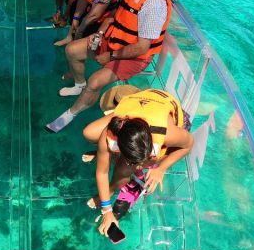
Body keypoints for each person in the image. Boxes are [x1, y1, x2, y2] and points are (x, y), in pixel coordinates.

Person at [45, 0, 172, 133]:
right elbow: (114, 14)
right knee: (72, 50)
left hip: (134, 56)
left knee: (95, 81)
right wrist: (100, 33)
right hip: (113, 40)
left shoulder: (153, 4)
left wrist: (110, 56)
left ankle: (71, 113)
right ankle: (78, 85)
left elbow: (142, 48)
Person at [83, 87, 193, 239]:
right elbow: (101, 172)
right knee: (89, 133)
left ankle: (112, 187)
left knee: (122, 169)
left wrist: (160, 168)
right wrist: (107, 210)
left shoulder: (167, 134)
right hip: (140, 108)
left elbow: (188, 145)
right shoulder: (111, 132)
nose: (139, 166)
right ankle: (106, 155)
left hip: (171, 115)